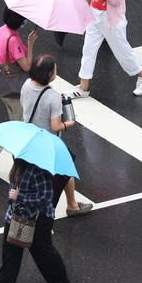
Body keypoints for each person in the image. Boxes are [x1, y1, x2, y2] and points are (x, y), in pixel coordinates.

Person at [0, 157, 71, 283]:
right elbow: (13, 190)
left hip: (39, 220)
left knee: (43, 253)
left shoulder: (38, 170)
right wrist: (13, 198)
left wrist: (19, 196)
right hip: (16, 216)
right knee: (10, 256)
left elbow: (46, 197)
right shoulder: (18, 166)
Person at [25, 55, 91, 217]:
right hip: (49, 144)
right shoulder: (53, 97)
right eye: (54, 68)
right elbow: (55, 126)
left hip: (31, 138)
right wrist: (70, 123)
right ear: (49, 75)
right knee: (53, 181)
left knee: (66, 168)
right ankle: (45, 218)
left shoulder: (26, 85)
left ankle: (72, 205)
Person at [0, 7, 38, 174]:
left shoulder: (1, 30)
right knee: (17, 126)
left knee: (15, 124)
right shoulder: (13, 39)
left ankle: (15, 160)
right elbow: (26, 65)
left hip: (4, 85)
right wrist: (30, 44)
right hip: (16, 89)